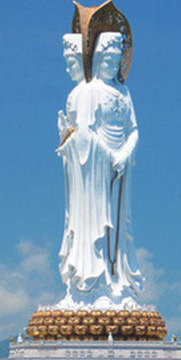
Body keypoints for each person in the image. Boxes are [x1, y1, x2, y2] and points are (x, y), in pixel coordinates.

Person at [56, 31, 141, 307]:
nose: (113, 65)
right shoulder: (89, 92)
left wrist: (124, 154)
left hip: (120, 167)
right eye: (108, 59)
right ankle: (92, 286)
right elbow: (83, 133)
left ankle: (118, 284)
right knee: (94, 222)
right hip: (93, 168)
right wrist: (109, 155)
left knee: (119, 226)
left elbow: (134, 130)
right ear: (98, 58)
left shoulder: (124, 92)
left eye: (117, 59)